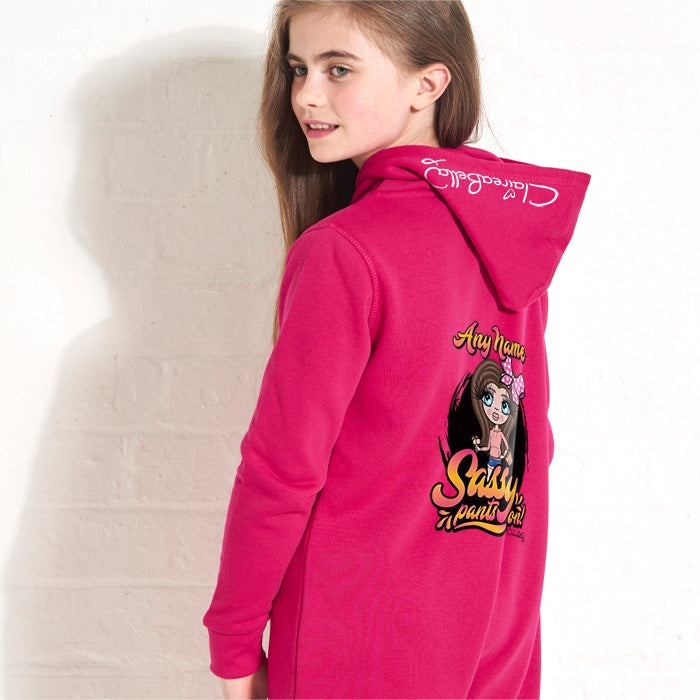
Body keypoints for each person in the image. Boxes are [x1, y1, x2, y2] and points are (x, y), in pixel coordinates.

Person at [203, 1, 590, 698]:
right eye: (298, 68)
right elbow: (529, 458)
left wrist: (233, 647)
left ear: (428, 84)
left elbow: (281, 471)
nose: (305, 96)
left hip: (353, 644)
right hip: (494, 641)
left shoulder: (344, 251)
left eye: (338, 69)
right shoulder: (509, 241)